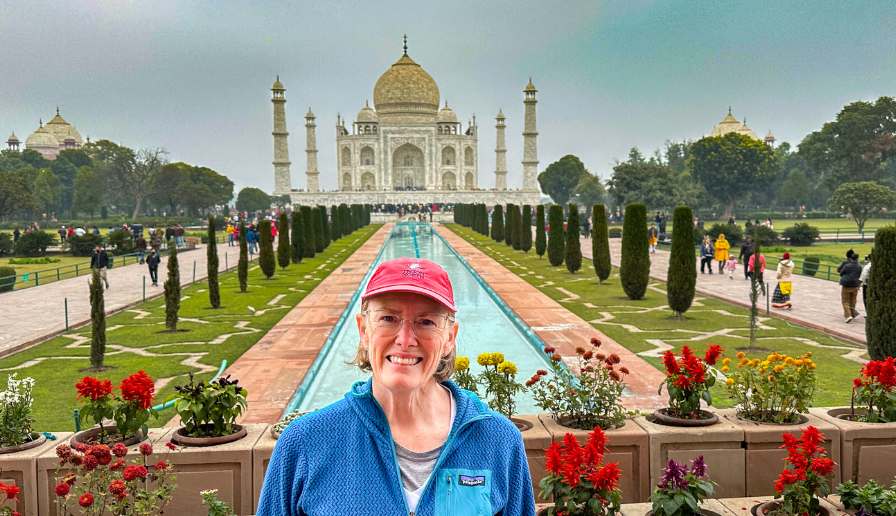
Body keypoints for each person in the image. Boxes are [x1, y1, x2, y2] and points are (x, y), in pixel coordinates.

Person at [257, 258, 535, 515]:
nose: (405, 339)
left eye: (426, 322)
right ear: (364, 330)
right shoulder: (306, 443)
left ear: (450, 337)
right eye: (388, 318)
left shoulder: (497, 440)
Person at [838, 250, 862, 323]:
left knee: (845, 301)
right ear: (857, 259)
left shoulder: (846, 265)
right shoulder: (860, 266)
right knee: (853, 301)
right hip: (855, 285)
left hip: (846, 285)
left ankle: (848, 316)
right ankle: (853, 313)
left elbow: (841, 272)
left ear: (851, 258)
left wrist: (846, 276)